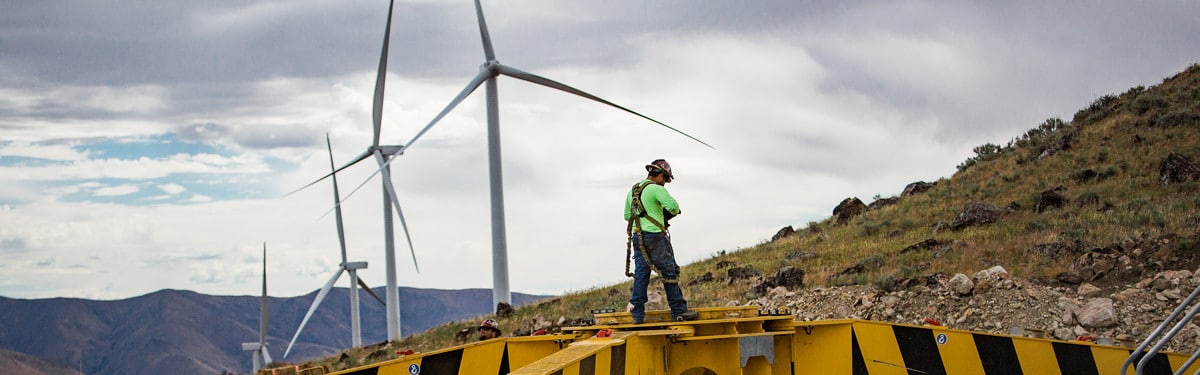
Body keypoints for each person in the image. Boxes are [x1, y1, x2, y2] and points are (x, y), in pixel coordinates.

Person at [624, 159, 700, 324]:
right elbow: (674, 207)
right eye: (665, 179)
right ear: (660, 175)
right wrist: (660, 213)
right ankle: (679, 310)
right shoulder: (656, 189)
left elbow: (627, 216)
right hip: (655, 237)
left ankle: (637, 314)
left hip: (638, 237)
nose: (665, 183)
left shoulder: (633, 191)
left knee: (641, 274)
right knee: (669, 272)